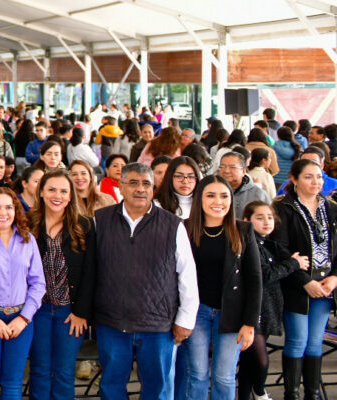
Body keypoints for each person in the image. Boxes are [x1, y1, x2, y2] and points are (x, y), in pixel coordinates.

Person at [90, 163, 198, 400]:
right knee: (111, 386)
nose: (140, 189)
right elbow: (91, 271)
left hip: (157, 326)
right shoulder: (101, 220)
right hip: (112, 322)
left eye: (146, 183)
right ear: (120, 186)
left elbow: (187, 276)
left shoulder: (173, 225)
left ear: (154, 187)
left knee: (157, 389)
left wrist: (185, 320)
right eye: (133, 183)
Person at [180, 174, 261, 400]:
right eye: (211, 195)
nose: (218, 201)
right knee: (197, 374)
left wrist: (249, 323)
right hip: (196, 313)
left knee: (224, 377)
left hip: (232, 315)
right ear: (199, 199)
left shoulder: (243, 230)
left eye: (224, 196)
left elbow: (254, 279)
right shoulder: (185, 229)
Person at [0, 187, 45, 400]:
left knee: (13, 381)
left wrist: (24, 318)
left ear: (16, 210)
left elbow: (38, 283)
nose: (2, 212)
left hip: (20, 319)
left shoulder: (27, 240)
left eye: (8, 207)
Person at [272, 158, 337, 400]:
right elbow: (278, 249)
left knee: (315, 342)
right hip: (296, 285)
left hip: (325, 286)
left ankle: (313, 393)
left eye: (319, 177)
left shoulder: (331, 207)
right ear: (294, 179)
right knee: (297, 340)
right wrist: (304, 281)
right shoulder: (283, 207)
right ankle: (292, 393)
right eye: (308, 176)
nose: (316, 182)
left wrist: (334, 278)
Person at [27, 170, 94, 400]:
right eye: (52, 189)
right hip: (38, 311)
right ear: (42, 192)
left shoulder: (84, 225)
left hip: (70, 312)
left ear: (70, 195)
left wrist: (81, 313)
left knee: (64, 372)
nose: (58, 195)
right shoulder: (28, 223)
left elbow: (90, 272)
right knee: (40, 371)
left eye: (64, 191)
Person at [239, 201, 304, 400]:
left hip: (269, 308)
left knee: (250, 362)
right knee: (260, 360)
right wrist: (293, 263)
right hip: (253, 310)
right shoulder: (250, 243)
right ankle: (260, 392)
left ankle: (246, 394)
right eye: (260, 217)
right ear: (247, 220)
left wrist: (292, 261)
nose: (267, 221)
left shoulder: (268, 243)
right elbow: (265, 275)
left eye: (269, 217)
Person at [218, 150, 271, 216]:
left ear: (243, 171)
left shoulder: (258, 194)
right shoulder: (211, 189)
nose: (226, 171)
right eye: (222, 166)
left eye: (232, 167)